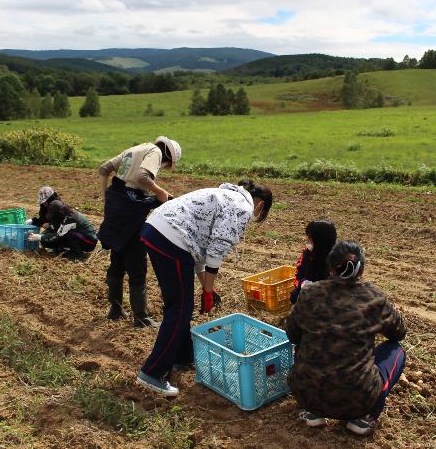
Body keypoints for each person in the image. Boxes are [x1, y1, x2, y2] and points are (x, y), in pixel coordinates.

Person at [136, 179, 273, 397]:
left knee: (179, 304)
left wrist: (207, 287)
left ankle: (183, 357)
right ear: (260, 205)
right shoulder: (242, 206)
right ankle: (153, 372)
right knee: (180, 309)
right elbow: (215, 252)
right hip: (172, 238)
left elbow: (199, 250)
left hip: (157, 230)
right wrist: (207, 291)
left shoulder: (225, 195)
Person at [285, 240, 407, 436]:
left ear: (330, 267)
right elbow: (398, 333)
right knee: (397, 351)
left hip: (305, 393)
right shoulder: (374, 297)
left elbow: (292, 333)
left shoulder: (310, 293)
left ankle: (312, 412)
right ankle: (365, 418)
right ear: (361, 270)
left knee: (301, 340)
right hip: (357, 400)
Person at [97, 136, 181, 327]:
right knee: (137, 266)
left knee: (117, 259)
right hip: (129, 212)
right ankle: (141, 318)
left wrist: (105, 199)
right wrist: (160, 192)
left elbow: (104, 169)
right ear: (169, 157)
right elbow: (143, 177)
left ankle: (115, 309)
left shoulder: (136, 148)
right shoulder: (156, 152)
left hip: (116, 203)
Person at [27, 186, 98, 258]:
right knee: (47, 239)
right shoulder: (60, 213)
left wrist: (40, 237)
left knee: (70, 235)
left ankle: (78, 254)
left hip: (89, 241)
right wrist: (36, 224)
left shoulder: (69, 218)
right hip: (78, 236)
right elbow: (51, 227)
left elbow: (58, 235)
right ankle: (62, 249)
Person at [290, 220, 337, 304]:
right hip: (310, 291)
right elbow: (298, 272)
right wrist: (303, 283)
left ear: (320, 241)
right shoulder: (307, 252)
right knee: (295, 296)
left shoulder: (338, 258)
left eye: (310, 238)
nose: (307, 240)